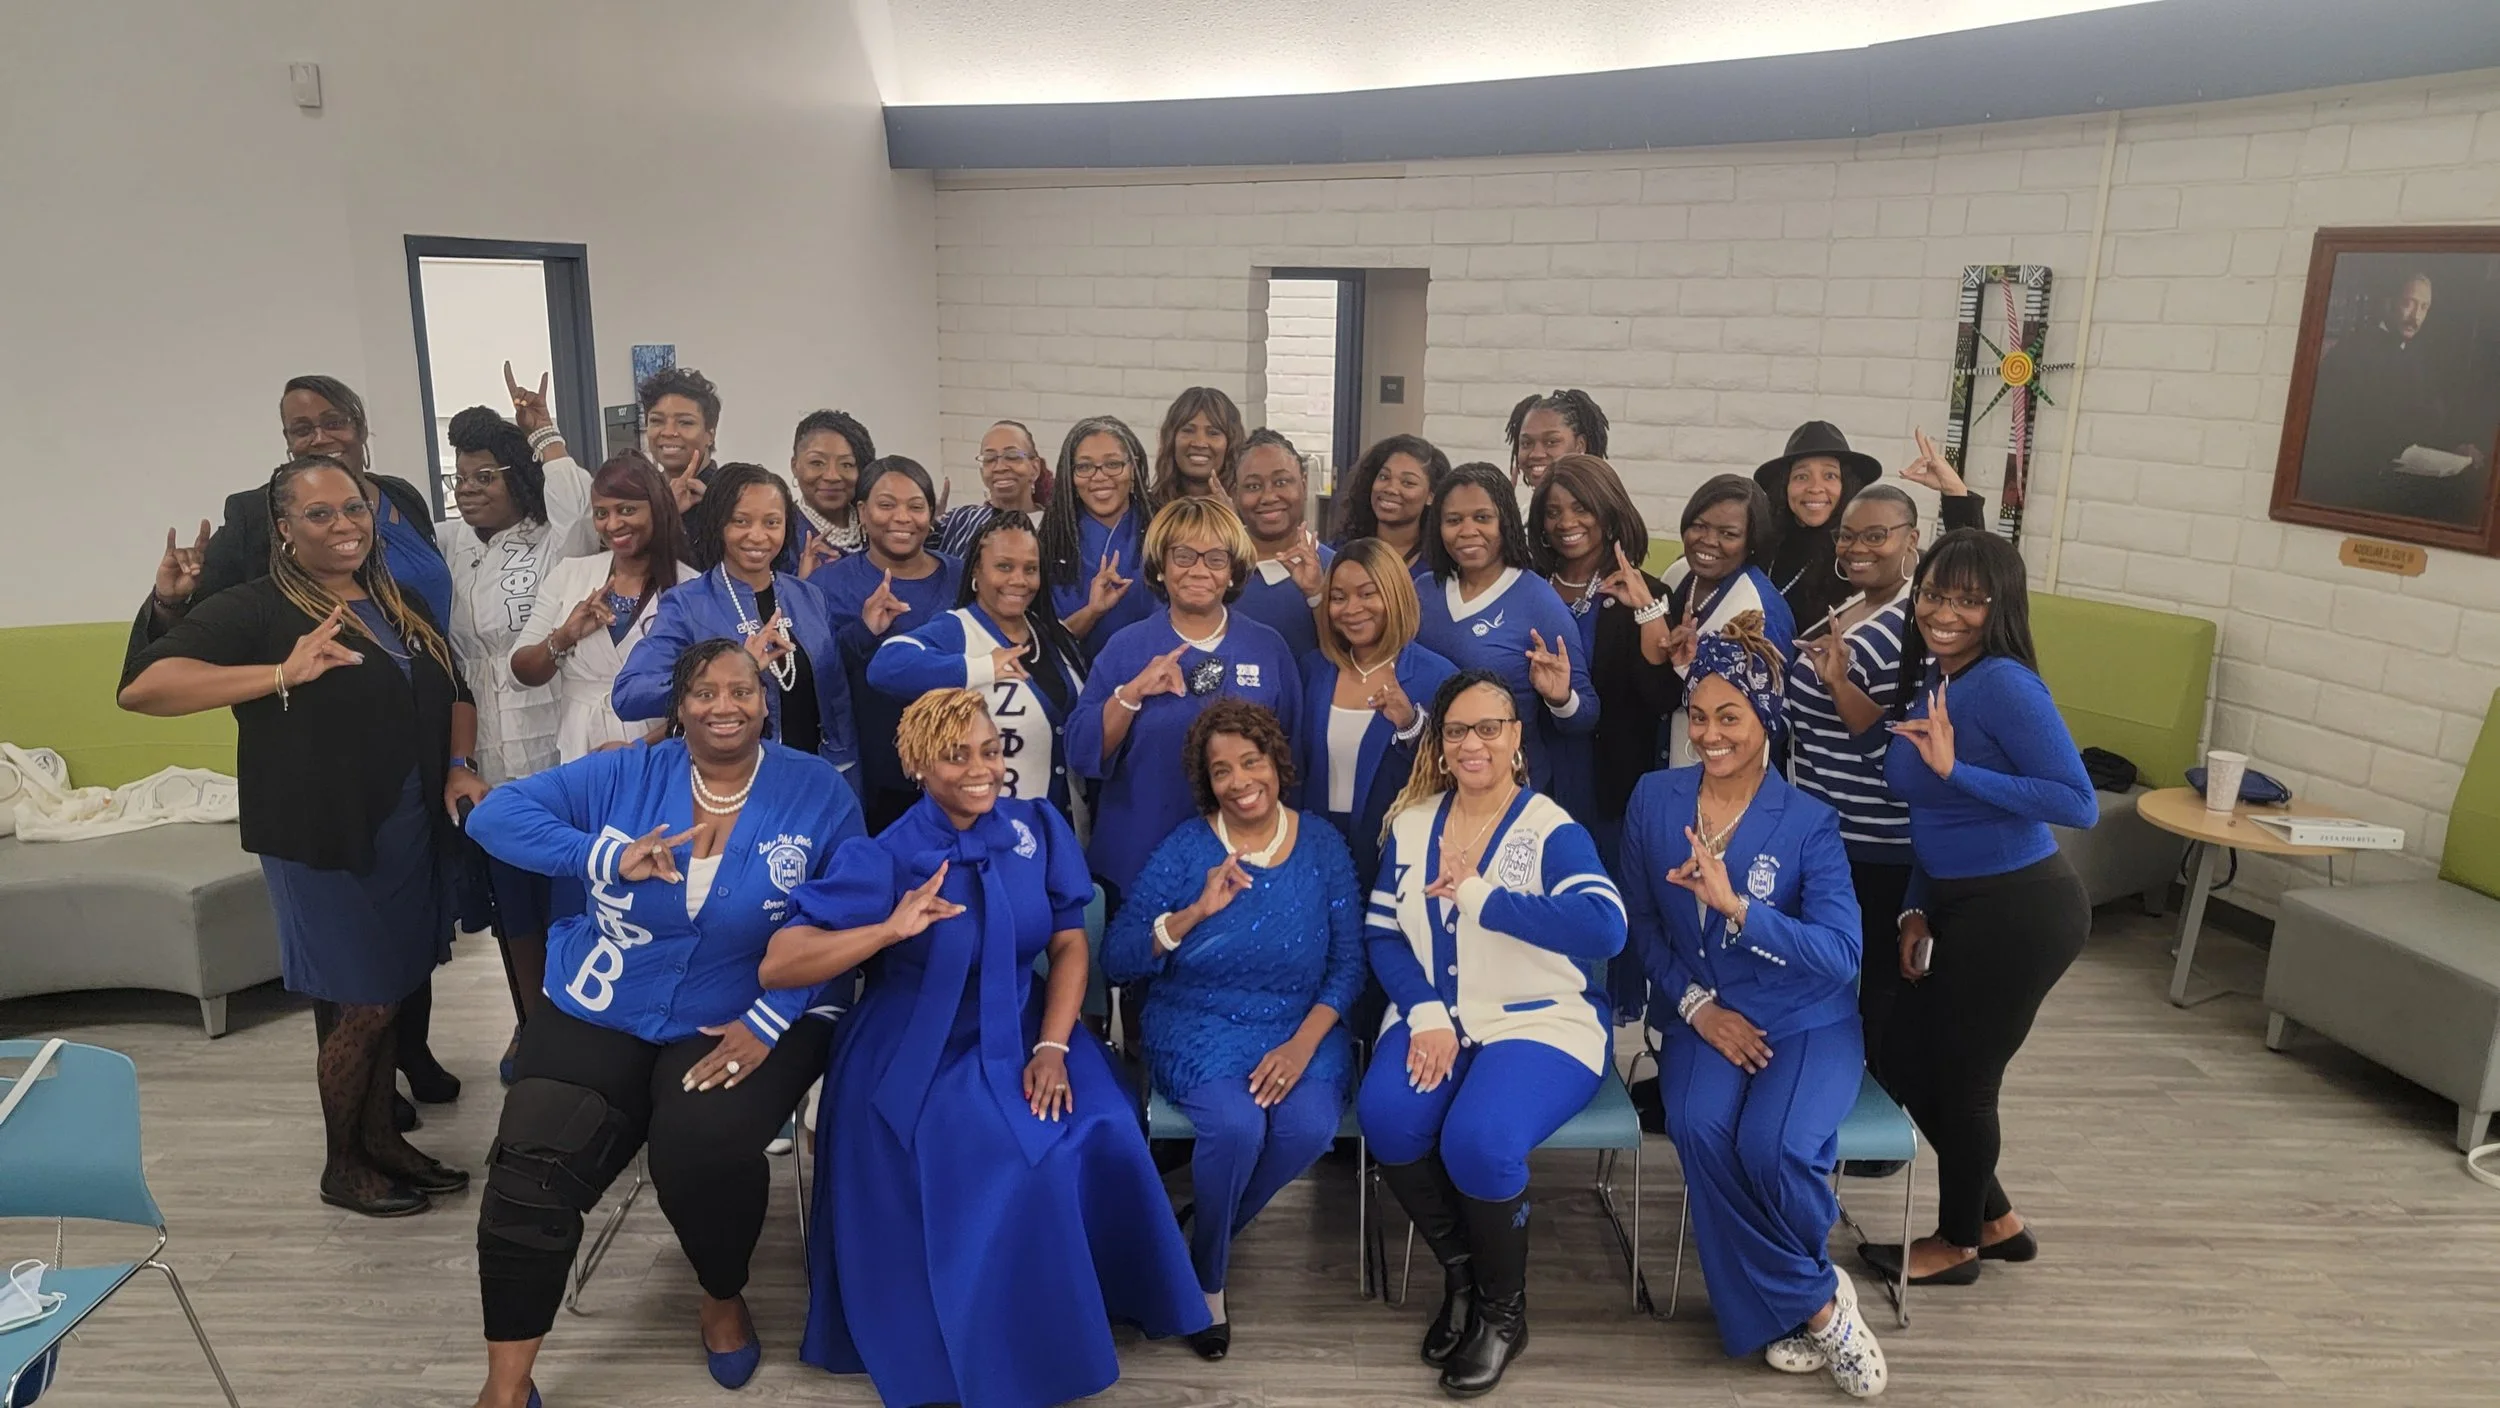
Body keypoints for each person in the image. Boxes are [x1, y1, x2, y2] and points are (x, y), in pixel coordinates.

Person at [770, 688, 1207, 1407]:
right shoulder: (884, 857)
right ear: (916, 764)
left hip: (1033, 1025)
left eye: (989, 749)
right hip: (919, 1043)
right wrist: (887, 931)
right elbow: (781, 961)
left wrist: (1055, 1047)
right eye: (955, 756)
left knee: (1103, 1127)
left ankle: (1093, 1305)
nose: (981, 769)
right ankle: (1004, 1352)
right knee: (1007, 1160)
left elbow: (1068, 945)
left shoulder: (1034, 825)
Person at [461, 640, 866, 1407]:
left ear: (764, 699)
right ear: (678, 705)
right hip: (604, 1000)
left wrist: (773, 1018)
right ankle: (505, 1389)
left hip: (747, 1013)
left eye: (741, 690)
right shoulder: (625, 774)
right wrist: (604, 857)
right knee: (530, 1174)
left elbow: (847, 919)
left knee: (700, 1149)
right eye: (705, 692)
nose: (724, 706)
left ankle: (720, 1294)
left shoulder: (816, 791)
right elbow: (498, 817)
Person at [120, 455, 473, 1217]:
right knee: (364, 1003)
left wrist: (459, 766)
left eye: (353, 509)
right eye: (319, 514)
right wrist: (281, 674)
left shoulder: (395, 597)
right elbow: (146, 687)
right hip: (322, 834)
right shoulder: (258, 607)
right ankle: (344, 1165)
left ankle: (383, 1141)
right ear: (283, 529)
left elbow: (454, 686)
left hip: (404, 827)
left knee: (395, 985)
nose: (344, 525)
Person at [1624, 614, 1889, 1398]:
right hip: (1707, 1016)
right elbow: (1639, 922)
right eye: (1698, 716)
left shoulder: (1809, 823)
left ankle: (1791, 1298)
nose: (1709, 734)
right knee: (1701, 1127)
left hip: (1808, 1020)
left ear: (1764, 720)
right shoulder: (1653, 798)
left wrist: (1740, 908)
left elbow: (1842, 955)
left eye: (1729, 716)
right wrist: (1698, 1007)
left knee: (1774, 1148)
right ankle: (1818, 1303)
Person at [1359, 670, 1627, 1398]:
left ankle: (1505, 1314)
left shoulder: (1548, 830)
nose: (1472, 743)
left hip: (1539, 1019)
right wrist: (1425, 1012)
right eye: (1457, 731)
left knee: (1478, 1140)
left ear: (1515, 739)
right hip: (1436, 1018)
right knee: (1386, 1117)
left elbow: (1607, 927)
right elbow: (1383, 934)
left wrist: (1481, 896)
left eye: (1489, 728)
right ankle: (1465, 1278)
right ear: (1440, 747)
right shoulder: (1412, 824)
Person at [1860, 529, 2096, 1288]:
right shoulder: (1939, 676)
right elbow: (1932, 818)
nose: (1946, 611)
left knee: (1961, 1078)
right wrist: (1916, 910)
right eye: (1934, 593)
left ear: (1999, 607)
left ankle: (1959, 1241)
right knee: (1903, 1058)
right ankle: (1995, 1221)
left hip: (2021, 909)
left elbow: (2076, 802)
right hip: (1958, 904)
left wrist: (1958, 769)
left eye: (1968, 599)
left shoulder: (2002, 684)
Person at [1103, 700, 1364, 1360]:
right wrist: (1194, 912)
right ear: (1207, 782)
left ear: (1277, 762)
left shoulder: (1324, 846)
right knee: (1237, 1126)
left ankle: (1197, 1235)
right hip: (1198, 1019)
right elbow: (1117, 955)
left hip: (1300, 1023)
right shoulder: (1188, 847)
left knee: (1306, 1128)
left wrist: (1303, 1044)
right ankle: (1207, 1285)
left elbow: (1348, 963)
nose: (1241, 780)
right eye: (1222, 770)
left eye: (1252, 761)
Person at [436, 384, 594, 1081]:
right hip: (489, 759)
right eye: (460, 477)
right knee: (512, 907)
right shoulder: (453, 547)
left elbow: (575, 498)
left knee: (570, 898)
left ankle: (577, 1024)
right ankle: (529, 1026)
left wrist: (543, 432)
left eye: (485, 476)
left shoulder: (556, 539)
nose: (468, 490)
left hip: (556, 744)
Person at [1068, 496, 1302, 900]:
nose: (1198, 570)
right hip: (1138, 864)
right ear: (1161, 567)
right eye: (1184, 555)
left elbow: (1295, 761)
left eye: (1215, 558)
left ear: (1232, 572)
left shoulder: (1268, 647)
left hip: (1243, 869)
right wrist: (1132, 693)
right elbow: (1079, 749)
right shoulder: (1127, 647)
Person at [1526, 453, 1680, 1021]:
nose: (1567, 521)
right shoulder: (1527, 588)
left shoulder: (1649, 588)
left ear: (1608, 510)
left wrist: (1646, 615)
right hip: (1540, 775)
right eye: (1553, 510)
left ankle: (1603, 1036)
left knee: (1604, 902)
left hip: (1613, 785)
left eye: (1582, 506)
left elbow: (1663, 696)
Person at [1786, 485, 1923, 1075]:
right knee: (1834, 979)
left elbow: (1898, 756)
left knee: (1873, 991)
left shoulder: (1905, 629)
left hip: (1873, 842)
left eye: (1877, 535)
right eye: (1849, 535)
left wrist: (1838, 685)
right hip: (1828, 830)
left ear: (1911, 541)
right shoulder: (1855, 606)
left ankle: (1872, 1128)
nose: (1858, 547)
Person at [615, 464, 860, 786]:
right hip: (731, 786)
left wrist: (848, 779)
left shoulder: (810, 597)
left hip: (816, 782)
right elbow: (628, 695)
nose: (757, 536)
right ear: (719, 524)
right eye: (741, 521)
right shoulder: (687, 604)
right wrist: (731, 671)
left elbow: (838, 701)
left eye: (772, 522)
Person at [869, 511, 1086, 820]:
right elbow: (885, 667)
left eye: (1030, 569)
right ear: (976, 572)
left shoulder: (1054, 633)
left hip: (1065, 834)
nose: (1019, 580)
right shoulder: (958, 629)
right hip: (994, 836)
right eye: (1004, 567)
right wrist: (982, 668)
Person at [1413, 462, 1595, 799]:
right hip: (1431, 780)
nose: (1467, 531)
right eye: (1454, 520)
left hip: (1508, 788)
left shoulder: (1538, 600)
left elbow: (1585, 715)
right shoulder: (1422, 591)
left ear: (1506, 522)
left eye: (1482, 518)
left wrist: (1560, 698)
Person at [510, 449, 696, 762]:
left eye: (626, 510)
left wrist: (637, 749)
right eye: (601, 513)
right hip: (581, 751)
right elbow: (519, 674)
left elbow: (703, 696)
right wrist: (564, 636)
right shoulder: (570, 575)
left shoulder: (691, 586)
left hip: (660, 753)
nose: (612, 524)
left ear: (658, 509)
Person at [1296, 538, 1457, 888]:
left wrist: (1411, 725)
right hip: (1315, 852)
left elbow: (1454, 774)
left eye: (1368, 594)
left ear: (1395, 595)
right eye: (1338, 598)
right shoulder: (1314, 670)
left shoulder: (1437, 676)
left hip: (1399, 857)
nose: (1352, 608)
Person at [812, 456, 962, 828]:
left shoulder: (962, 577)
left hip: (956, 766)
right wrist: (863, 631)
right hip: (869, 774)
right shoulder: (828, 585)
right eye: (886, 505)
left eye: (916, 506)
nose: (902, 518)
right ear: (862, 512)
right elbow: (814, 679)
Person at [2300, 270, 2493, 525]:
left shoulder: (2414, 356)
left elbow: (2426, 415)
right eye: (2409, 303)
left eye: (2424, 307)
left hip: (2396, 464)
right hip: (2354, 477)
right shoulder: (2354, 351)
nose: (2416, 317)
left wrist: (2454, 446)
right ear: (2388, 302)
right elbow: (2341, 428)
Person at [1756, 421, 1984, 625]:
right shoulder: (1766, 545)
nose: (1815, 487)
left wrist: (1956, 493)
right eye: (1801, 476)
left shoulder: (1864, 550)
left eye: (1830, 476)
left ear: (1847, 486)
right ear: (1784, 486)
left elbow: (1964, 573)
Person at [1659, 475, 1795, 767]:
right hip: (1672, 762)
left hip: (1724, 778)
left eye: (1728, 534)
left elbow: (1775, 720)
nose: (1708, 541)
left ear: (1752, 542)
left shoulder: (1759, 609)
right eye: (1699, 526)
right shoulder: (1678, 574)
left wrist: (1691, 670)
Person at [1039, 414, 1154, 662]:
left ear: (1132, 467)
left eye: (1113, 464)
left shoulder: (1163, 529)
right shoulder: (1051, 540)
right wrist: (1092, 612)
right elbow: (1042, 643)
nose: (1099, 476)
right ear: (1070, 475)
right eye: (1084, 466)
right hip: (1078, 684)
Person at [1230, 427, 1331, 660]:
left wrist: (1317, 596)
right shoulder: (1214, 569)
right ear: (1235, 493)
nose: (1268, 497)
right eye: (1253, 486)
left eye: (1282, 482)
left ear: (1304, 484)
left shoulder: (1337, 569)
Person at [1332, 434, 1450, 576]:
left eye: (1408, 483)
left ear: (1431, 496)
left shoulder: (1440, 565)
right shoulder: (1340, 551)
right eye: (1384, 477)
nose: (1390, 488)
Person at [932, 419, 1046, 560]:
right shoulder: (960, 522)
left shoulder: (1057, 526)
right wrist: (926, 522)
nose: (999, 467)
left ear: (1035, 468)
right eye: (989, 458)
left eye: (1012, 456)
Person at [787, 408, 874, 563]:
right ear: (795, 466)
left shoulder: (877, 526)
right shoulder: (782, 533)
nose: (832, 476)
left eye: (846, 464)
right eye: (817, 463)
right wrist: (800, 585)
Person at [639, 366, 723, 511]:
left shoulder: (729, 498)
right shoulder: (642, 495)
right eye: (657, 421)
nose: (668, 432)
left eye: (685, 422)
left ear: (710, 435)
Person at [1504, 389, 1609, 505]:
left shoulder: (1599, 512)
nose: (1536, 454)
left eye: (1551, 442)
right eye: (1526, 443)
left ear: (1580, 445)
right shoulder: (1527, 513)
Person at [1149, 385, 1245, 506]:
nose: (1199, 443)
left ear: (1231, 443)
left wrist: (1230, 520)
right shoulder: (1146, 510)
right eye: (1188, 430)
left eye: (1213, 433)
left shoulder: (1249, 510)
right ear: (1171, 439)